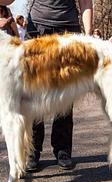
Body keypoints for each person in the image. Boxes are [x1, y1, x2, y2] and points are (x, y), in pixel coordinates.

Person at [26, 0, 93, 171]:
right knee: (33, 93)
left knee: (66, 93)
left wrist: (88, 36)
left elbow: (85, 3)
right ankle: (32, 151)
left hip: (68, 30)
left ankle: (62, 150)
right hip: (38, 29)